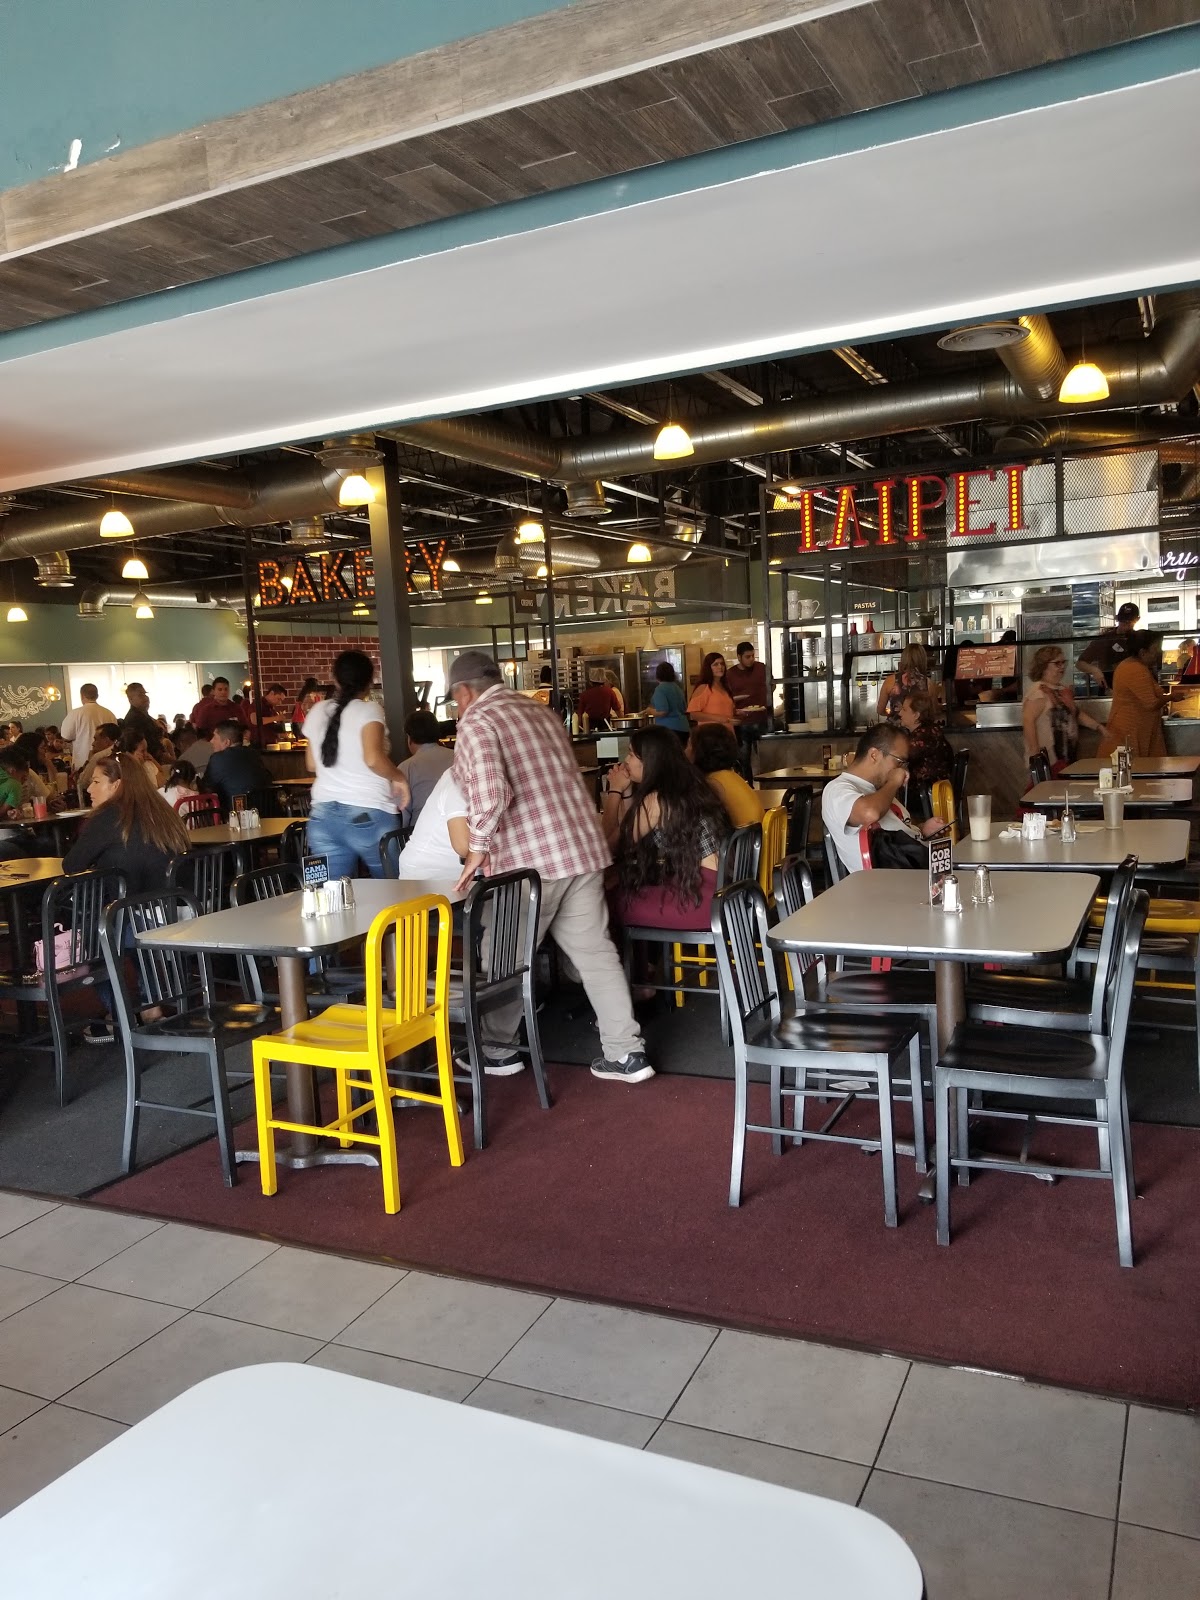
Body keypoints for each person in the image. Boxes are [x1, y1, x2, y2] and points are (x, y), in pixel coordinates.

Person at [448, 649, 652, 1084]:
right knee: (596, 954)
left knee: (504, 958)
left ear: (463, 693)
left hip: (528, 862)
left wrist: (477, 849)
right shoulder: (539, 712)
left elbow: (491, 791)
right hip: (581, 849)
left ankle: (498, 1051)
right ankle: (626, 1053)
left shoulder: (478, 721)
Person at [65, 752, 191, 1044]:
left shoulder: (109, 816)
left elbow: (71, 865)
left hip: (142, 919)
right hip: (180, 912)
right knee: (128, 915)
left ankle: (119, 1015)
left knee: (93, 939)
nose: (89, 788)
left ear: (117, 784)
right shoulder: (160, 808)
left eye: (96, 781)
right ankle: (151, 1006)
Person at [602, 726, 730, 939]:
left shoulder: (657, 800)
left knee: (606, 901)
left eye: (631, 754)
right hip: (724, 890)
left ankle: (633, 961)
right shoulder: (688, 786)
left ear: (650, 761)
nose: (626, 761)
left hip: (701, 900)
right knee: (616, 886)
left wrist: (614, 791)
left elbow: (611, 847)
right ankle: (646, 959)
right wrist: (626, 791)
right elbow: (630, 827)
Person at [302, 650, 410, 877]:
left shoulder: (317, 710)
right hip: (368, 813)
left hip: (322, 817)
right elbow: (373, 759)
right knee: (394, 888)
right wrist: (399, 777)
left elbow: (311, 764)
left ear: (335, 679)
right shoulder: (370, 710)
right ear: (370, 681)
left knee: (330, 894)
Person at [821, 723, 946, 873]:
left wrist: (922, 830)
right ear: (874, 755)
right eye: (899, 762)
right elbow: (869, 814)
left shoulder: (878, 789)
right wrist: (894, 782)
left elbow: (897, 831)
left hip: (917, 867)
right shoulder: (836, 790)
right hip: (891, 880)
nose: (903, 770)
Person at [1023, 646, 1107, 774]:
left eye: (1063, 662)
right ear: (1044, 666)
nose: (1062, 667)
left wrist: (1098, 727)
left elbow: (1076, 713)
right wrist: (1035, 752)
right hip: (1048, 760)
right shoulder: (1038, 692)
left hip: (1067, 756)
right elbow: (1028, 721)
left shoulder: (1062, 690)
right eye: (1057, 663)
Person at [1099, 632, 1174, 758]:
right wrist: (1171, 697)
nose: (1158, 653)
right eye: (1155, 649)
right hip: (1129, 730)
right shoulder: (1134, 669)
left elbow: (1157, 694)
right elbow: (1151, 703)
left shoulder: (1134, 666)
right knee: (1131, 767)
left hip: (1138, 729)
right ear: (1142, 652)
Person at [393, 768, 470, 880]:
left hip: (462, 870)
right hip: (431, 875)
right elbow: (464, 847)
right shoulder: (461, 779)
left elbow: (405, 815)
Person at [688, 723, 766, 827]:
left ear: (700, 751)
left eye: (689, 745)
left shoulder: (712, 783)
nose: (685, 751)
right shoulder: (732, 776)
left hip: (745, 836)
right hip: (757, 834)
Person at [397, 708, 453, 827]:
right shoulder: (459, 757)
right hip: (460, 828)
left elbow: (403, 814)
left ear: (409, 738)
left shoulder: (406, 768)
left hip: (421, 831)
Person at [205, 721, 274, 816]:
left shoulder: (218, 759)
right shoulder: (254, 754)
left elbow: (207, 788)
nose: (211, 741)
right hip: (266, 812)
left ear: (226, 742)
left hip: (237, 816)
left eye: (215, 737)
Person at [725, 640, 769, 774]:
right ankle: (747, 783)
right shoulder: (730, 674)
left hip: (762, 718)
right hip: (742, 721)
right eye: (747, 657)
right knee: (744, 759)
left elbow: (771, 685)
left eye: (752, 656)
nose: (751, 659)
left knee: (765, 758)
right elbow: (727, 697)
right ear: (739, 657)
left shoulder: (761, 668)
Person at [1078, 602, 1141, 692]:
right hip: (1109, 688)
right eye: (1123, 620)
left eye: (1129, 621)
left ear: (1137, 619)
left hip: (1133, 687)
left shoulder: (1139, 639)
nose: (1125, 624)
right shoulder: (1105, 639)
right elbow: (1080, 663)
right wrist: (1094, 670)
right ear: (1117, 618)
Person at [898, 690, 955, 787]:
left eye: (904, 710)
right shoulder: (931, 729)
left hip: (926, 790)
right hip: (938, 788)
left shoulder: (922, 737)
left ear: (916, 715)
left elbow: (899, 758)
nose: (900, 713)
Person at [878, 642, 931, 721]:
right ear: (923, 660)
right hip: (918, 726)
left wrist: (892, 714)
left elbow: (880, 710)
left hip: (895, 727)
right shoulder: (928, 683)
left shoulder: (890, 681)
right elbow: (933, 711)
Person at [687, 652, 736, 730]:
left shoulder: (725, 687)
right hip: (710, 733)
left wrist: (738, 712)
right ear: (708, 668)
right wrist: (718, 718)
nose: (720, 667)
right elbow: (693, 714)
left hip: (727, 732)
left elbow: (726, 710)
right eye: (715, 664)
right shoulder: (704, 687)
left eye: (722, 664)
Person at [121, 682, 166, 760]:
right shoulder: (134, 719)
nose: (145, 698)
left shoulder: (145, 715)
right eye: (140, 695)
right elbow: (141, 745)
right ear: (130, 699)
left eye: (145, 694)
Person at [77, 723, 121, 799]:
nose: (93, 744)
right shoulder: (124, 753)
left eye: (95, 739)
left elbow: (83, 783)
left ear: (106, 741)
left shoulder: (99, 757)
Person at [649, 659, 689, 740]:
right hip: (684, 727)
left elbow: (663, 711)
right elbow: (684, 709)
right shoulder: (677, 688)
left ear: (657, 675)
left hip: (668, 730)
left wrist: (650, 711)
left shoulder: (660, 689)